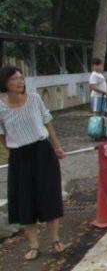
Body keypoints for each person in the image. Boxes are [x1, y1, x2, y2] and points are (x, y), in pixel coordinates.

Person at [0, 66, 67, 260]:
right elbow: (2, 135)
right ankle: (33, 245)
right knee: (25, 199)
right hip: (20, 156)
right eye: (15, 79)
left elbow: (48, 124)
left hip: (42, 151)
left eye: (21, 78)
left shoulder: (35, 99)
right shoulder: (1, 107)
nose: (20, 82)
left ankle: (55, 240)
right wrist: (13, 147)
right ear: (5, 82)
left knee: (49, 194)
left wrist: (57, 147)